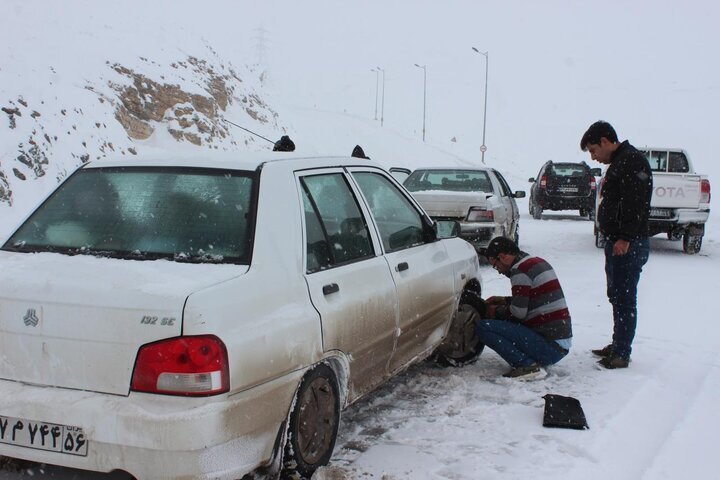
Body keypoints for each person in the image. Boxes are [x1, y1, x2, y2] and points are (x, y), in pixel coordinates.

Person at [580, 121, 652, 369]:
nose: (593, 157)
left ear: (605, 141)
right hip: (618, 241)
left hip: (627, 243)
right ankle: (618, 343)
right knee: (617, 295)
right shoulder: (620, 162)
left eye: (593, 150)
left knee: (624, 298)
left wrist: (625, 238)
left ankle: (622, 352)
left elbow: (635, 204)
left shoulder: (631, 161)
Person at [476, 237, 572, 379]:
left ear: (503, 257)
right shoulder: (536, 262)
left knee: (484, 327)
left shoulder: (520, 271)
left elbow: (518, 313)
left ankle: (527, 366)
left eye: (496, 266)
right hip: (559, 344)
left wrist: (494, 311)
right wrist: (504, 300)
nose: (499, 271)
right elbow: (534, 299)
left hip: (550, 347)